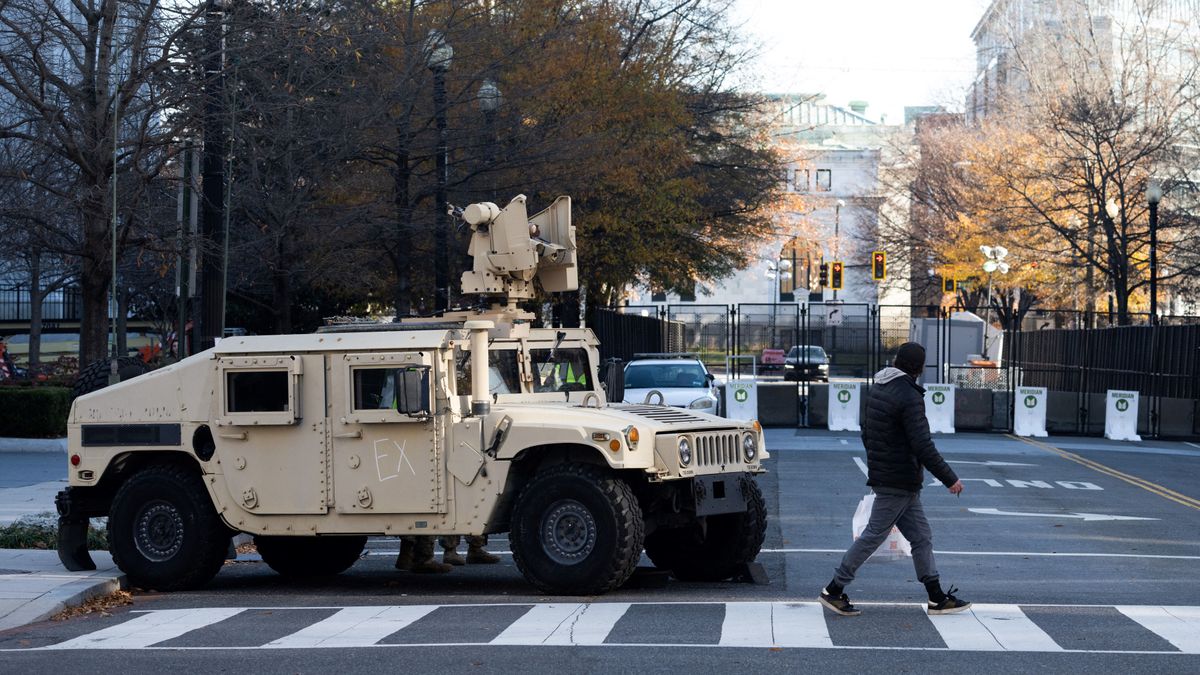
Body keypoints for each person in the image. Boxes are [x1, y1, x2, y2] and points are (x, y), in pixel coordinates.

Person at [819, 341, 971, 617]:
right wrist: (950, 478)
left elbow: (867, 431)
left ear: (897, 360)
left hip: (893, 476)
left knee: (921, 537)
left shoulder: (880, 386)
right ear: (919, 367)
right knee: (873, 536)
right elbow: (922, 444)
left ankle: (936, 597)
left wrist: (879, 461)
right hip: (897, 479)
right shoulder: (909, 395)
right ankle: (834, 589)